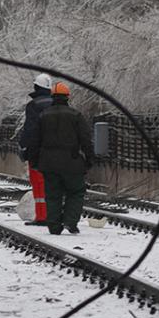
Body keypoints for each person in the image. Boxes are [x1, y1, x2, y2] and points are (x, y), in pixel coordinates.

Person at [29, 82, 94, 235]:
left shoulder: (43, 115)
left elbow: (34, 140)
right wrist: (90, 159)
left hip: (48, 163)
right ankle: (70, 222)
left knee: (52, 194)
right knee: (76, 192)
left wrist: (34, 161)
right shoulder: (76, 115)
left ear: (52, 97)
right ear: (67, 97)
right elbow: (85, 139)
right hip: (72, 162)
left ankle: (54, 226)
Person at [18, 73, 54, 226]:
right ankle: (50, 215)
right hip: (54, 150)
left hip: (37, 151)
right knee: (51, 184)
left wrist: (23, 146)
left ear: (36, 87)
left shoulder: (33, 105)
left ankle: (42, 216)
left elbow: (30, 129)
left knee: (38, 183)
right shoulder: (56, 104)